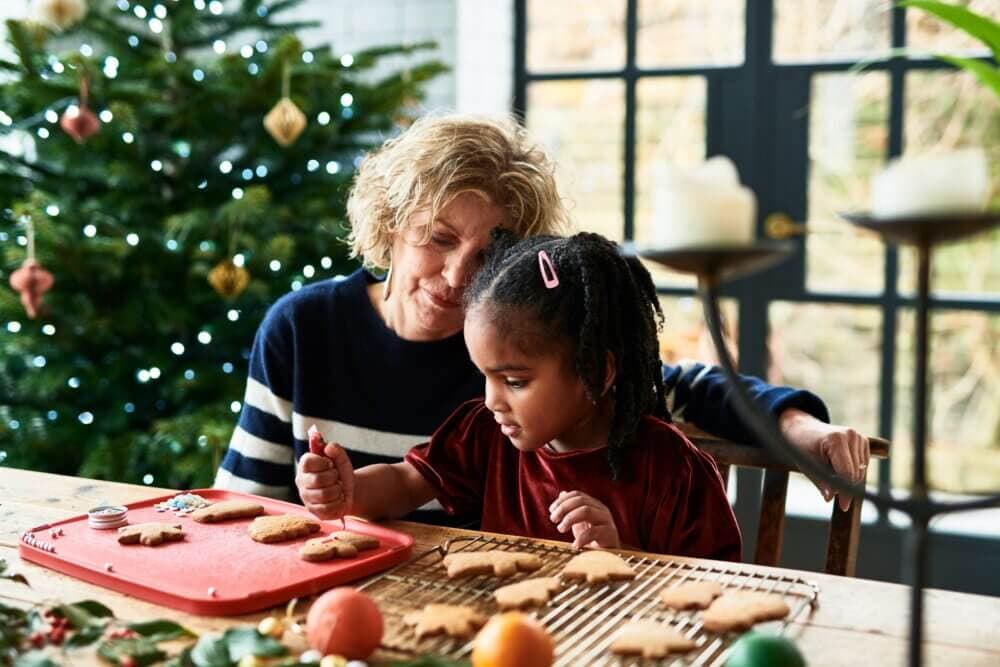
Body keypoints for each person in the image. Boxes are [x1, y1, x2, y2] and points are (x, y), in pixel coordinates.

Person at [214, 113, 869, 525]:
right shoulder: (301, 329)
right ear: (389, 228)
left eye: (489, 253)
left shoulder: (519, 347)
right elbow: (247, 508)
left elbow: (687, 385)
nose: (457, 277)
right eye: (438, 239)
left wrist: (800, 426)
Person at [300, 230, 743, 558]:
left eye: (514, 382)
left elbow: (712, 592)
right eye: (484, 377)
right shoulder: (483, 434)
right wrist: (348, 490)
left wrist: (622, 553)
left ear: (596, 372)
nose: (492, 400)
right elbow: (403, 483)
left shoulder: (674, 472)